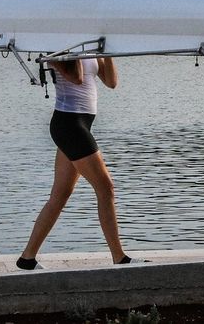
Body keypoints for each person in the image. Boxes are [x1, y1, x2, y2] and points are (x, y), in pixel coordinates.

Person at [17, 54, 134, 269]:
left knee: (59, 196)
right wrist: (76, 47)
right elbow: (77, 77)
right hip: (69, 125)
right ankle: (120, 258)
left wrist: (106, 52)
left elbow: (112, 82)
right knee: (106, 188)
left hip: (80, 125)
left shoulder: (88, 48)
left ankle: (27, 258)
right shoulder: (60, 51)